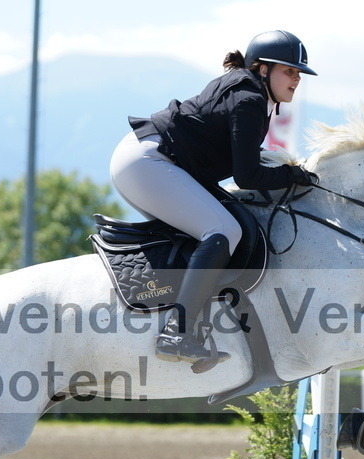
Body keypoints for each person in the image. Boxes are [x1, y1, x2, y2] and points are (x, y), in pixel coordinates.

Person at [110, 29, 319, 370]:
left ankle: (193, 321)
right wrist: (292, 175)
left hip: (150, 159)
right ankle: (175, 332)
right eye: (289, 70)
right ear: (262, 69)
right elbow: (247, 176)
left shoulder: (252, 93)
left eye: (298, 73)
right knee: (223, 231)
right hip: (148, 162)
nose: (296, 78)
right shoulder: (250, 99)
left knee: (223, 223)